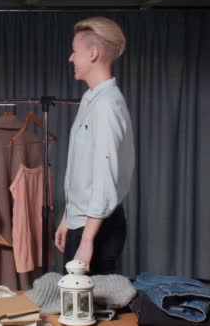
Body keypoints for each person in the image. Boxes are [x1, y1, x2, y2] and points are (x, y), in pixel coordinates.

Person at [54, 17, 135, 275]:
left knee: (87, 310)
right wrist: (69, 218)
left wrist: (87, 240)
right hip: (85, 222)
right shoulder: (92, 99)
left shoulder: (105, 106)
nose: (70, 58)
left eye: (75, 52)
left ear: (93, 53)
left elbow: (104, 176)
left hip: (97, 228)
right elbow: (83, 170)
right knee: (77, 306)